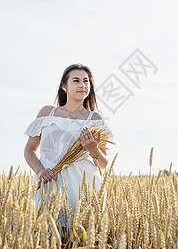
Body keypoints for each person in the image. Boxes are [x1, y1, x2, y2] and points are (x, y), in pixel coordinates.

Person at [24, 63, 114, 227]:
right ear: (64, 86)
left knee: (80, 235)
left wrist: (94, 150)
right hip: (50, 182)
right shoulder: (47, 113)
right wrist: (40, 171)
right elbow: (29, 150)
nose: (82, 85)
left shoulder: (95, 119)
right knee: (46, 235)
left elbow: (103, 164)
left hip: (83, 187)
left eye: (86, 81)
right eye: (76, 81)